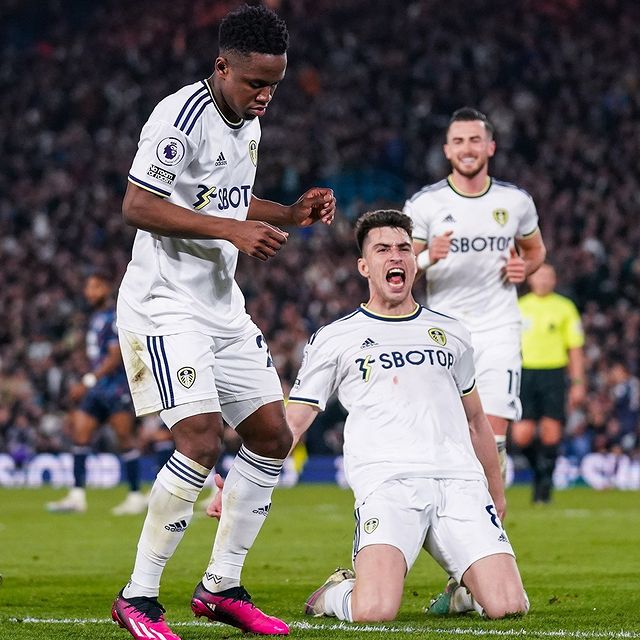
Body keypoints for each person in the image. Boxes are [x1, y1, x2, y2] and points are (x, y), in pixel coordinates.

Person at [110, 5, 335, 640]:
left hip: (220, 305)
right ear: (221, 66)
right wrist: (231, 230)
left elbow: (227, 200)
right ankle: (139, 598)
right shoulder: (179, 119)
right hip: (164, 305)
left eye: (275, 84)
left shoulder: (247, 124)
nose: (266, 95)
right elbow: (137, 204)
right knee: (201, 441)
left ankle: (220, 587)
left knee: (271, 436)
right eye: (255, 82)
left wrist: (289, 213)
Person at [285, 209, 527, 622]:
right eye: (382, 249)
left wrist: (495, 491)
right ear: (364, 266)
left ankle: (461, 594)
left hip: (459, 482)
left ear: (414, 261)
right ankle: (333, 594)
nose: (395, 257)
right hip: (388, 484)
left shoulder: (452, 332)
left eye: (403, 249)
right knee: (374, 611)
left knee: (508, 606)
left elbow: (475, 421)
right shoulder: (336, 337)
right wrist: (245, 479)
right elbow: (295, 420)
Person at [404, 107, 547, 480]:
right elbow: (398, 270)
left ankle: (493, 523)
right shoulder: (425, 204)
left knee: (495, 435)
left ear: (490, 147)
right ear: (447, 151)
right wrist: (427, 257)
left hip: (500, 328)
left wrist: (525, 268)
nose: (467, 148)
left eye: (474, 140)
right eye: (458, 142)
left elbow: (535, 252)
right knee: (453, 436)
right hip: (445, 333)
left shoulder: (515, 202)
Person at [46, 271, 146, 516]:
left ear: (105, 289)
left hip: (116, 387)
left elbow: (115, 355)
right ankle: (77, 496)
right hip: (98, 389)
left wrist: (89, 379)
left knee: (124, 439)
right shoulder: (95, 317)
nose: (88, 292)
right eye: (87, 287)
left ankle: (135, 495)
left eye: (94, 287)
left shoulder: (113, 317)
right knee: (80, 434)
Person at [511, 263, 586, 503]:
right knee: (521, 436)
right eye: (539, 276)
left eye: (548, 276)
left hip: (553, 373)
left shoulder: (565, 308)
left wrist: (577, 382)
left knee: (551, 433)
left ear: (554, 280)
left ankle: (544, 487)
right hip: (525, 373)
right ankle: (540, 473)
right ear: (531, 279)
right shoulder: (518, 307)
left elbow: (575, 348)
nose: (543, 280)